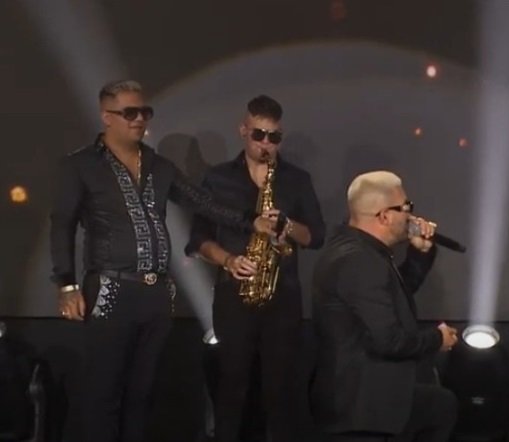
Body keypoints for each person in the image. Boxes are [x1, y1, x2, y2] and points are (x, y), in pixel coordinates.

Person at [50, 80, 275, 442]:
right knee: (103, 394)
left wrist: (252, 221)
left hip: (155, 295)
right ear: (107, 116)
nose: (139, 119)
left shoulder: (158, 165)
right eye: (130, 113)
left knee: (142, 396)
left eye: (145, 112)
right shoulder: (82, 165)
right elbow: (62, 224)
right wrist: (66, 284)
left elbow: (202, 202)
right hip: (110, 289)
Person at [186, 94, 326, 442]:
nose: (266, 144)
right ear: (243, 130)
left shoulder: (296, 180)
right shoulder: (218, 179)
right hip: (234, 297)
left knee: (280, 392)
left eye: (273, 137)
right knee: (231, 389)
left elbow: (317, 236)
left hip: (283, 298)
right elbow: (198, 239)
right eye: (258, 135)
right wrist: (229, 260)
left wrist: (287, 226)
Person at [311, 171, 458, 442]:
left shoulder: (358, 250)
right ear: (385, 216)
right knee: (439, 407)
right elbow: (389, 341)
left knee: (440, 405)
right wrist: (437, 339)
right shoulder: (360, 260)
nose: (412, 216)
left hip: (366, 394)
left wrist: (420, 252)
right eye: (406, 207)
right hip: (361, 405)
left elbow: (392, 298)